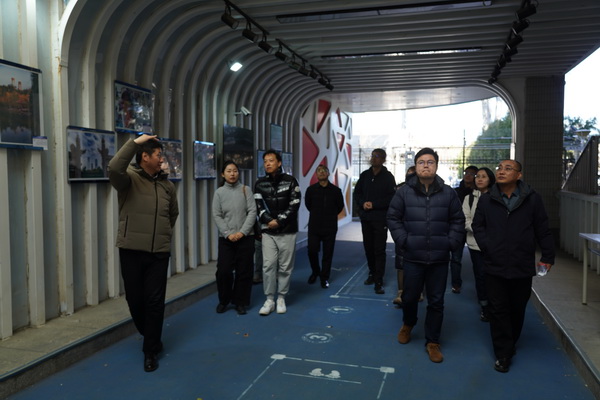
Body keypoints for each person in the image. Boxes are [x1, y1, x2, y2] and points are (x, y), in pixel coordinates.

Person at [473, 160, 555, 373]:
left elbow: (542, 228)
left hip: (521, 264)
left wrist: (548, 256)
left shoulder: (532, 199)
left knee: (517, 308)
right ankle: (503, 353)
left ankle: (510, 342)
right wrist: (487, 246)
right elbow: (478, 226)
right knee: (497, 308)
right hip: (494, 263)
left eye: (508, 168)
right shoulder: (487, 199)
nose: (501, 171)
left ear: (519, 175)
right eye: (500, 168)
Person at [108, 134, 179, 373]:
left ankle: (150, 351)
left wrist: (162, 235)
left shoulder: (167, 186)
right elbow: (113, 167)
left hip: (159, 253)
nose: (162, 159)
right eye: (158, 155)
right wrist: (136, 142)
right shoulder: (128, 179)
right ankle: (151, 336)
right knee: (135, 300)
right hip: (131, 250)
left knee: (155, 302)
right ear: (145, 157)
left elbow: (173, 214)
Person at [387, 147, 465, 363]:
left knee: (437, 301)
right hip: (413, 256)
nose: (426, 166)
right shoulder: (403, 192)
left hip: (439, 258)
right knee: (409, 297)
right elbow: (393, 218)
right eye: (421, 162)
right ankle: (408, 323)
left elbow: (458, 220)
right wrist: (404, 240)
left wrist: (451, 242)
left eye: (430, 162)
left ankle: (432, 341)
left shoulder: (448, 193)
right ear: (416, 166)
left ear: (436, 166)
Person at [254, 149, 301, 315]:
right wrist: (269, 221)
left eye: (271, 160)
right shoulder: (259, 184)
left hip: (287, 231)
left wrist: (279, 221)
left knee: (285, 266)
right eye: (265, 161)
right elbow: (258, 206)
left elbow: (294, 204)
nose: (267, 164)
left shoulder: (291, 181)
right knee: (268, 265)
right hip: (268, 231)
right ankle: (269, 299)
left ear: (279, 163)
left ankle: (281, 297)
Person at [212, 161, 257, 315]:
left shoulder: (246, 190)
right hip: (226, 239)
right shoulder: (219, 193)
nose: (232, 174)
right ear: (223, 174)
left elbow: (252, 212)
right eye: (229, 171)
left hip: (246, 237)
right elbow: (217, 215)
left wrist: (242, 232)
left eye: (235, 171)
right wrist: (228, 233)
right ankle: (224, 300)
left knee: (244, 271)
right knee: (223, 271)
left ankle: (240, 302)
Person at [353, 148, 396, 294]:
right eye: (372, 156)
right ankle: (372, 273)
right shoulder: (365, 175)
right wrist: (363, 203)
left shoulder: (388, 177)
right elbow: (357, 193)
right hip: (366, 218)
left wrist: (374, 204)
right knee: (368, 248)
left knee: (379, 249)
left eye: (377, 156)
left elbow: (391, 197)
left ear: (383, 159)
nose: (374, 158)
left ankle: (379, 280)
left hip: (380, 219)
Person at [463, 167, 495, 322]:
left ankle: (495, 304)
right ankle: (485, 306)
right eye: (478, 176)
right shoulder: (469, 198)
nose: (479, 179)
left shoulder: (497, 197)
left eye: (483, 176)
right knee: (480, 275)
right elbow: (466, 219)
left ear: (490, 179)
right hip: (475, 244)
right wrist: (480, 229)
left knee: (494, 276)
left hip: (495, 244)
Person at [305, 165, 345, 289]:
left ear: (328, 174)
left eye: (324, 171)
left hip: (330, 227)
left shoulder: (336, 191)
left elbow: (340, 206)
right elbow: (308, 205)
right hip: (314, 226)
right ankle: (315, 271)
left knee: (328, 254)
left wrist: (330, 215)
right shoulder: (311, 190)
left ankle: (324, 277)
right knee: (312, 251)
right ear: (316, 174)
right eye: (319, 171)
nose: (321, 172)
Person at [449, 165, 478, 294]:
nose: (468, 175)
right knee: (455, 258)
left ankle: (481, 285)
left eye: (472, 174)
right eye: (467, 172)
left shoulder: (479, 193)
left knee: (478, 259)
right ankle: (456, 284)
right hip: (458, 228)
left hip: (474, 228)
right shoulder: (455, 192)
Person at [392, 165, 416, 306]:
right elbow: (393, 214)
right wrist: (398, 233)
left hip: (420, 233)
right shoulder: (399, 190)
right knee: (401, 263)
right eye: (409, 174)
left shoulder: (426, 190)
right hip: (402, 232)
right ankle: (401, 292)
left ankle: (418, 291)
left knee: (420, 264)